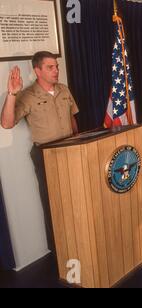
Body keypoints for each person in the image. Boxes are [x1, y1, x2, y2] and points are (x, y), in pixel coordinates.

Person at [1, 51, 79, 251]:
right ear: (37, 70)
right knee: (53, 202)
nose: (56, 70)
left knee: (76, 195)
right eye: (50, 67)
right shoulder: (27, 95)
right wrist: (12, 93)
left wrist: (79, 143)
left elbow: (73, 119)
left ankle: (79, 234)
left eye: (57, 66)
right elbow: (7, 123)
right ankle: (59, 248)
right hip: (46, 154)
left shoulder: (64, 90)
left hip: (71, 149)